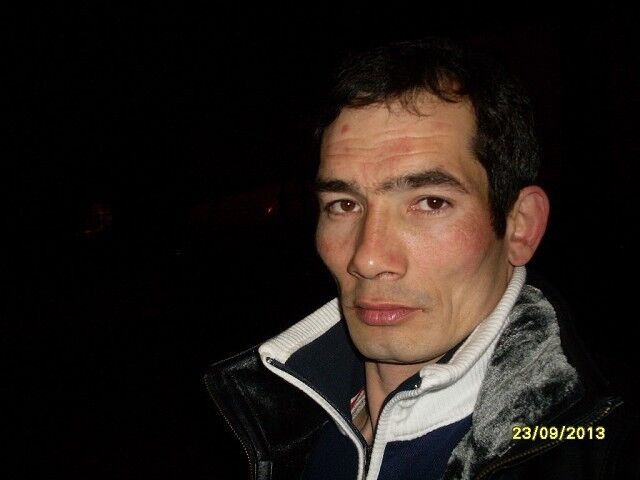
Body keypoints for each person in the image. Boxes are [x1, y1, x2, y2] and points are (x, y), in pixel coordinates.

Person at [204, 37, 639, 479]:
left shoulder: (601, 447)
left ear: (520, 225)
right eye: (344, 204)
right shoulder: (269, 418)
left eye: (430, 203)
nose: (368, 259)